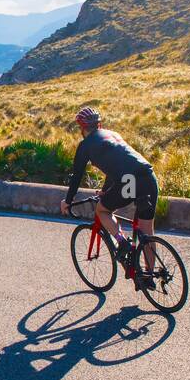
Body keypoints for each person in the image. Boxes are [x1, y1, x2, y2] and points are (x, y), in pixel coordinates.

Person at [59, 107, 159, 279]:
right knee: (147, 230)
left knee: (102, 210)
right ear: (99, 124)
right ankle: (150, 275)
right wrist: (106, 191)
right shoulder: (113, 134)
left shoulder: (85, 146)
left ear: (82, 128)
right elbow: (119, 164)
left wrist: (68, 200)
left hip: (129, 181)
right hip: (149, 176)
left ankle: (122, 243)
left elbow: (77, 176)